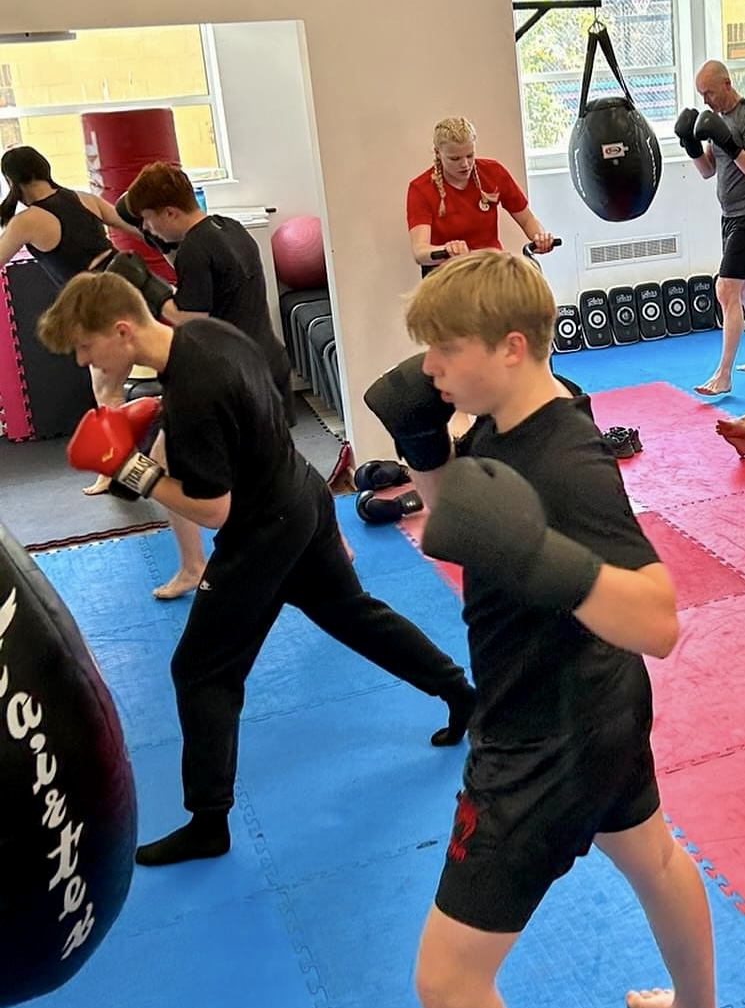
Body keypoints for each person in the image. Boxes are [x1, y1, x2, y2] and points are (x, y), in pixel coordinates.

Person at [363, 250, 728, 1008]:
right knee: (653, 857)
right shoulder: (511, 420)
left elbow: (659, 620)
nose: (429, 368)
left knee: (448, 985)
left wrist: (544, 558)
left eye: (446, 349)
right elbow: (465, 528)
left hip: (542, 740)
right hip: (597, 702)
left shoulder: (566, 462)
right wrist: (426, 451)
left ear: (513, 346)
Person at [37, 272, 478, 868]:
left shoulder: (194, 393)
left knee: (200, 670)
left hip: (262, 531)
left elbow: (211, 510)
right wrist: (153, 418)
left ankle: (208, 823)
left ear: (121, 331)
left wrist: (130, 469)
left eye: (85, 347)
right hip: (301, 493)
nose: (83, 361)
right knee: (353, 615)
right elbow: (257, 409)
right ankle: (460, 693)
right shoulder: (205, 336)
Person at [121, 160, 312, 598]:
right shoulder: (230, 228)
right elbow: (212, 288)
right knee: (282, 467)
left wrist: (147, 286)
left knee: (169, 464)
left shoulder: (194, 249)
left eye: (148, 218)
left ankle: (195, 565)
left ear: (170, 212)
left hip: (231, 378)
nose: (147, 227)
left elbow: (192, 319)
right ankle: (329, 543)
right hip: (266, 361)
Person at [0, 145, 154, 495]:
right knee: (120, 385)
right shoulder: (84, 198)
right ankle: (127, 466)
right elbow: (138, 229)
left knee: (107, 393)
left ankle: (118, 471)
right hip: (131, 288)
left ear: (13, 180)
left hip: (97, 305)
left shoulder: (28, 220)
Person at [677, 61, 745, 396]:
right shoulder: (718, 121)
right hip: (732, 216)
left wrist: (730, 143)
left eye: (709, 92)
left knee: (726, 290)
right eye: (701, 95)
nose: (705, 100)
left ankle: (723, 375)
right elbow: (708, 171)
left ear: (726, 83)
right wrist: (691, 144)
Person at [406, 117, 554, 276]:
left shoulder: (494, 172)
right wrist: (446, 250)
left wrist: (540, 237)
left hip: (490, 268)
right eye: (455, 158)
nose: (465, 164)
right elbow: (420, 251)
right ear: (437, 153)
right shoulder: (420, 189)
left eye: (470, 156)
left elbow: (527, 219)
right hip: (448, 275)